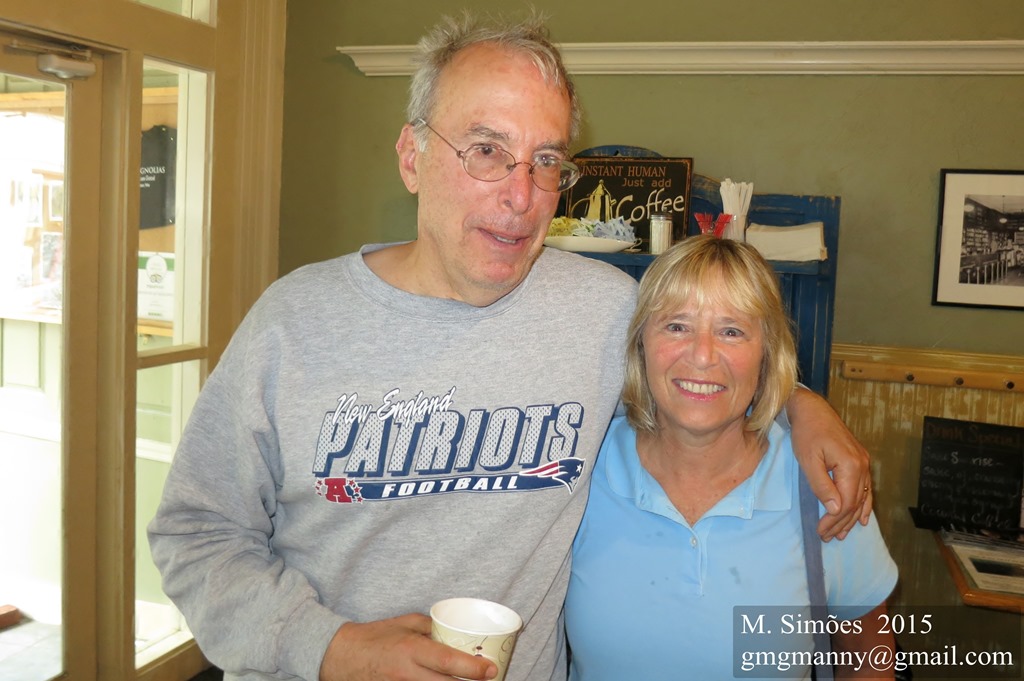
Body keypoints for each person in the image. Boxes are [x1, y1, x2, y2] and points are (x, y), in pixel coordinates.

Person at [148, 12, 873, 681]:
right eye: (488, 150)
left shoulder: (601, 311)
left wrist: (804, 408)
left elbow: (706, 364)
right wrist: (331, 647)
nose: (522, 195)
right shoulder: (293, 322)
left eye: (546, 160)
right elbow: (195, 534)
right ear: (412, 157)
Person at [565, 236, 897, 680]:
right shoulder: (582, 469)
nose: (702, 355)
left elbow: (868, 656)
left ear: (767, 354)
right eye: (676, 326)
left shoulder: (821, 485)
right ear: (640, 343)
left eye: (732, 331)